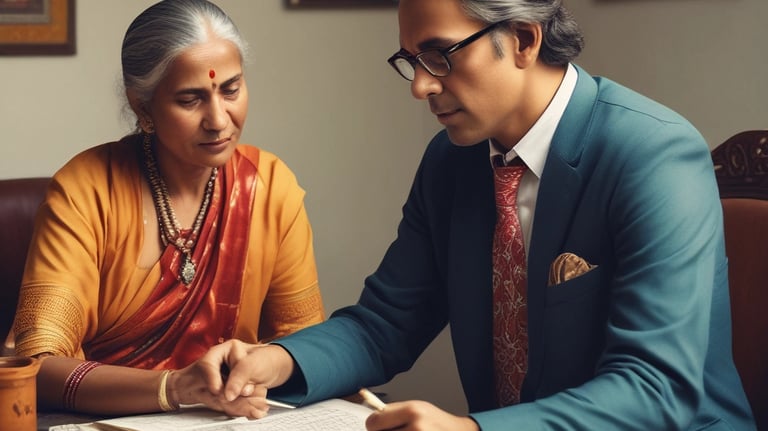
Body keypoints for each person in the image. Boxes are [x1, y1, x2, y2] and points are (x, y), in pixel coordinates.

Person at [199, 0, 758, 429]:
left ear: (522, 39)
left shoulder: (652, 154)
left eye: (441, 55)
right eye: (411, 61)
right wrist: (278, 360)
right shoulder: (451, 160)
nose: (421, 86)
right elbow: (384, 325)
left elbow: (656, 387)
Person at [11, 0, 324, 419]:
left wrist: (257, 372)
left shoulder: (270, 189)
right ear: (143, 107)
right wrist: (175, 386)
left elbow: (307, 349)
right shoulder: (85, 191)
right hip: (100, 421)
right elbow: (37, 367)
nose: (218, 119)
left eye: (230, 89)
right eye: (190, 99)